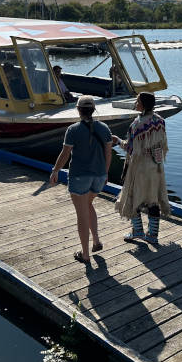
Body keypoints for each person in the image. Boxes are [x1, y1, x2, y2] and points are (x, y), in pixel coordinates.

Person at [49, 95, 113, 264]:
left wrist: (55, 170)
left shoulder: (73, 129)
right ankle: (97, 241)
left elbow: (65, 154)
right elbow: (108, 153)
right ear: (93, 109)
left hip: (79, 176)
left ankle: (85, 254)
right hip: (99, 176)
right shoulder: (105, 128)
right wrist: (105, 173)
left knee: (82, 214)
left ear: (78, 110)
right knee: (88, 204)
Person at [112, 92, 170, 245]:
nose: (136, 104)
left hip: (139, 166)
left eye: (137, 101)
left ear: (143, 104)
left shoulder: (136, 125)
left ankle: (137, 231)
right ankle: (152, 235)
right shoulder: (160, 122)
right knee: (153, 199)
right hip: (156, 166)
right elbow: (163, 145)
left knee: (132, 197)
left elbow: (130, 149)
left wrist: (117, 141)